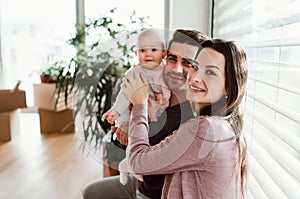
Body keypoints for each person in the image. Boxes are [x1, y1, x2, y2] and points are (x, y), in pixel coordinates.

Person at [82, 29, 209, 199]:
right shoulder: (157, 87)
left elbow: (149, 158)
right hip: (141, 181)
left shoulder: (193, 116)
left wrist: (141, 111)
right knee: (90, 191)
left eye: (188, 63)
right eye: (172, 59)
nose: (177, 69)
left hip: (158, 193)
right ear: (164, 57)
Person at [122, 39, 248, 198]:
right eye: (196, 67)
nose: (194, 77)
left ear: (230, 87)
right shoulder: (223, 124)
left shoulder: (205, 130)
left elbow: (137, 163)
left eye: (210, 72)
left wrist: (139, 103)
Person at [102, 28, 169, 126]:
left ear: (164, 53)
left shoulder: (168, 72)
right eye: (142, 50)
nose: (148, 54)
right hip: (136, 111)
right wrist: (116, 110)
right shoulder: (135, 72)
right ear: (136, 54)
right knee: (125, 121)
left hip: (160, 114)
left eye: (154, 50)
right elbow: (125, 93)